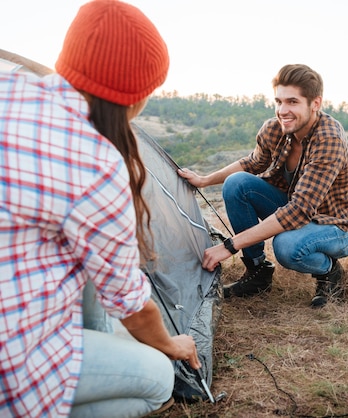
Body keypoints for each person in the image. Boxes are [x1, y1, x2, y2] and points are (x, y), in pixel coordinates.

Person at [0, 1, 201, 417]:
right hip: (13, 358)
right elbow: (131, 302)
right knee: (158, 379)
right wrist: (171, 344)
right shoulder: (94, 161)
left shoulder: (9, 89)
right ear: (135, 97)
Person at [178, 64, 348, 308]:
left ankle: (329, 272)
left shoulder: (329, 139)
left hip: (336, 226)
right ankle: (257, 273)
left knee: (286, 246)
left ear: (315, 104)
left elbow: (299, 211)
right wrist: (204, 179)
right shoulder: (276, 128)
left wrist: (229, 246)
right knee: (237, 184)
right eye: (279, 101)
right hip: (297, 209)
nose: (282, 110)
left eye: (293, 102)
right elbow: (252, 163)